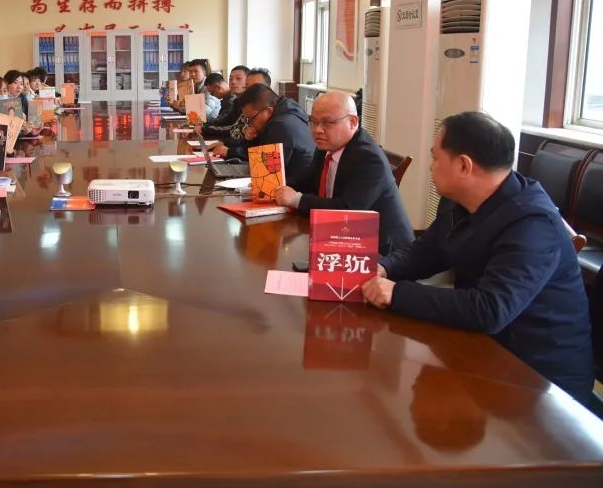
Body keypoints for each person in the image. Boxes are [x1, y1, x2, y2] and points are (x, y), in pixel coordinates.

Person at [361, 112, 594, 405]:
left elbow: (490, 309)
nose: (431, 167)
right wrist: (384, 268)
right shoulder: (462, 199)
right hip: (486, 347)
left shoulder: (532, 223)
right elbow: (429, 250)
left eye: (435, 158)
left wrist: (397, 293)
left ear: (463, 165)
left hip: (539, 382)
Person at [274, 90, 413, 256]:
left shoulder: (368, 158)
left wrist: (297, 199)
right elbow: (307, 179)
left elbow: (348, 209)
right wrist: (274, 186)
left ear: (353, 122)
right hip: (342, 236)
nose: (318, 130)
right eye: (313, 121)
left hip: (383, 252)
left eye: (327, 122)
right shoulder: (327, 146)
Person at [212, 83, 315, 182]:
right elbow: (261, 158)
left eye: (251, 118)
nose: (249, 123)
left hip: (295, 187)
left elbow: (266, 171)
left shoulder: (281, 125)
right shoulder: (279, 115)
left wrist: (232, 152)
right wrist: (250, 140)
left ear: (269, 111)